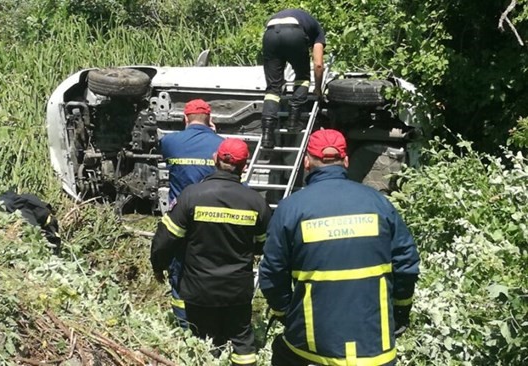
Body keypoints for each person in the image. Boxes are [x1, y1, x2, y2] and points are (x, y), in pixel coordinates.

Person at [258, 129, 420, 366]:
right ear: (345, 161)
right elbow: (406, 264)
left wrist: (285, 313)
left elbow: (272, 274)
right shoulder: (378, 203)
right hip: (376, 346)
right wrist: (400, 311)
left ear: (306, 162)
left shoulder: (290, 209)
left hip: (311, 348)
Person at [151, 138, 272, 366]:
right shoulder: (256, 202)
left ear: (215, 159)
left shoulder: (191, 196)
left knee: (203, 343)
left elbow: (166, 238)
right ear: (244, 166)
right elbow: (265, 245)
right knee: (243, 344)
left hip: (199, 289)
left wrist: (159, 265)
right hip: (237, 290)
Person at [158, 98, 224, 329]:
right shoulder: (221, 144)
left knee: (180, 271)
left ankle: (185, 327)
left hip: (180, 218)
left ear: (185, 118)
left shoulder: (170, 142)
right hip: (212, 219)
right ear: (211, 120)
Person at [261, 8, 326, 148]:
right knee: (302, 77)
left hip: (270, 33)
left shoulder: (296, 17)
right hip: (293, 33)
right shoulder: (318, 30)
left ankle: (267, 136)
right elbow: (318, 64)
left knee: (273, 89)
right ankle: (293, 122)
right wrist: (317, 89)